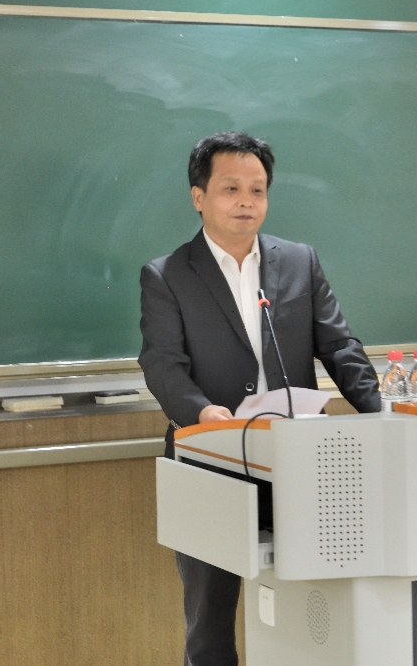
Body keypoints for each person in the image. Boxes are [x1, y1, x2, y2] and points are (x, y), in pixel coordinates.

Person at [139, 130, 380, 666]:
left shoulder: (299, 261)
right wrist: (202, 414)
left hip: (301, 460)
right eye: (230, 189)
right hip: (210, 460)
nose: (246, 201)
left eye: (257, 190)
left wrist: (382, 414)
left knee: (316, 605)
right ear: (199, 196)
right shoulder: (167, 275)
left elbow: (339, 347)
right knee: (210, 623)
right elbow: (162, 364)